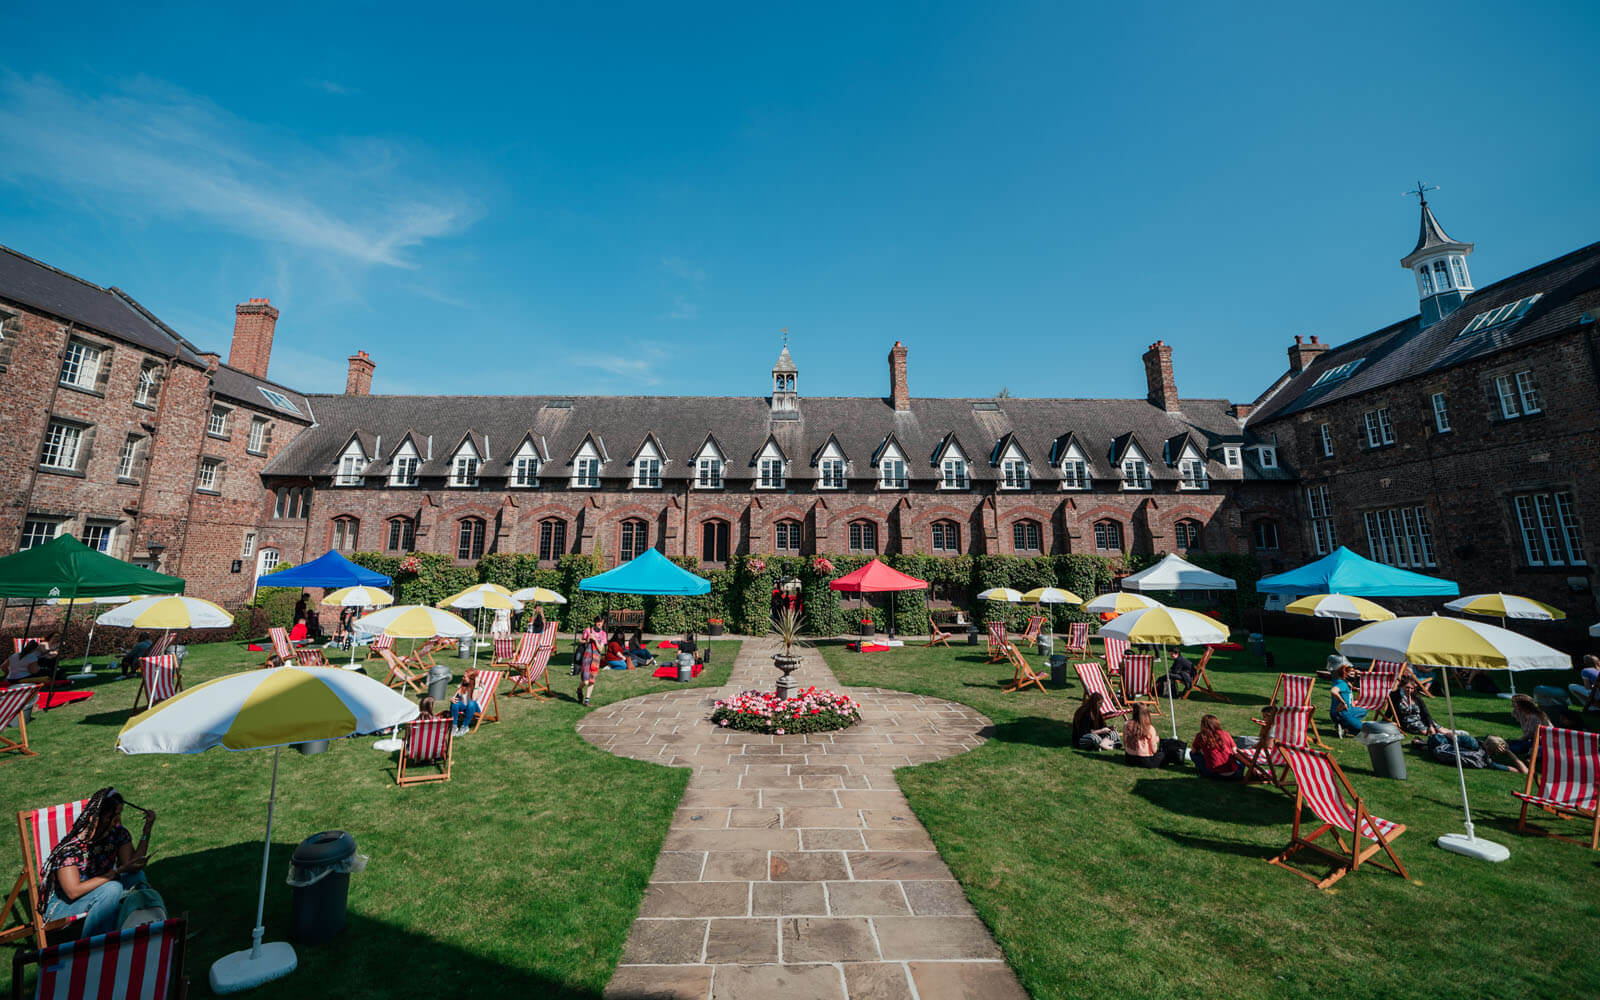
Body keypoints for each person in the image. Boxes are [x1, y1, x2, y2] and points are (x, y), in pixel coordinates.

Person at [39, 788, 157, 939]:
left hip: (101, 891)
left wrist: (147, 830)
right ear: (97, 818)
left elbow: (132, 864)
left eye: (119, 814)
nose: (118, 820)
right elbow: (73, 891)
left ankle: (147, 932)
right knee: (113, 888)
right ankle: (99, 948)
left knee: (137, 877)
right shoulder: (70, 850)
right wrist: (116, 872)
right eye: (114, 815)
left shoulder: (117, 834)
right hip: (62, 906)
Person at [1191, 714, 1244, 779]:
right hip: (1235, 774)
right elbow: (1235, 751)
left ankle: (1201, 769)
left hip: (1214, 774)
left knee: (1192, 754)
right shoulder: (1225, 733)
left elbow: (1193, 751)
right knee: (1240, 759)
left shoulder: (1201, 736)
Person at [1329, 661, 1367, 735]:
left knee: (1363, 711)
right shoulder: (1342, 684)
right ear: (1344, 674)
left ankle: (1345, 724)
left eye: (1354, 675)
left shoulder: (1344, 683)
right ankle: (1345, 724)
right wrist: (1343, 702)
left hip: (1344, 711)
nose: (1354, 677)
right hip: (1341, 713)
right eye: (1352, 675)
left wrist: (1359, 693)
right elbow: (1333, 691)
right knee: (1364, 729)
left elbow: (1352, 704)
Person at [576, 616, 607, 706]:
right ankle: (579, 689)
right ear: (595, 622)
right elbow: (580, 640)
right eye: (598, 622)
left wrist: (595, 640)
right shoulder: (588, 630)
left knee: (592, 681)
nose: (600, 624)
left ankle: (587, 701)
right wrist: (588, 639)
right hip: (587, 657)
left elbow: (601, 648)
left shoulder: (603, 634)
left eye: (601, 622)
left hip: (596, 659)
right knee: (585, 681)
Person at [1508, 693, 1550, 758]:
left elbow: (1529, 734)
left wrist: (1517, 741)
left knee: (1514, 747)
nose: (1512, 704)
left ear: (1523, 704)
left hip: (1543, 741)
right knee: (1512, 745)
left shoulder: (1534, 716)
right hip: (1533, 739)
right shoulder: (1521, 713)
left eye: (1514, 702)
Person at [1121, 704, 1164, 768]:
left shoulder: (1127, 724)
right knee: (1162, 754)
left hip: (1129, 758)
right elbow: (1154, 749)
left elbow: (1125, 741)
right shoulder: (1149, 728)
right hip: (1145, 760)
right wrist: (1155, 740)